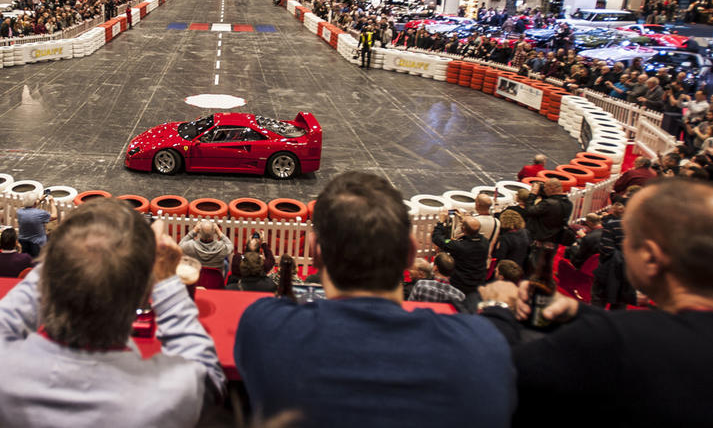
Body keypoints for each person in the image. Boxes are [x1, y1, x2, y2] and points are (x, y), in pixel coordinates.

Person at [236, 171, 514, 428]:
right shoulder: (482, 345)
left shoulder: (264, 325)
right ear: (410, 253)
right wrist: (498, 307)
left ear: (315, 254)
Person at [0, 198, 226, 427]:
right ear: (142, 298)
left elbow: (4, 319)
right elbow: (210, 376)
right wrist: (167, 279)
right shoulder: (166, 397)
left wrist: (71, 252)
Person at [478, 179, 713, 426]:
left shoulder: (613, 339)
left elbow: (506, 372)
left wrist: (499, 308)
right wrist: (580, 313)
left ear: (650, 258)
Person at [432, 213, 489, 295]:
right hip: (478, 283)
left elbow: (437, 238)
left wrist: (440, 222)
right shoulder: (485, 242)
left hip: (460, 284)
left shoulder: (459, 246)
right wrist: (464, 220)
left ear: (463, 228)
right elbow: (472, 230)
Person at [522, 178, 572, 243]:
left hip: (540, 239)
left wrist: (533, 194)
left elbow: (528, 210)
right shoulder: (568, 203)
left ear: (551, 188)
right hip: (554, 238)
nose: (544, 190)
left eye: (545, 188)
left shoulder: (548, 204)